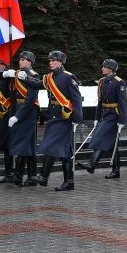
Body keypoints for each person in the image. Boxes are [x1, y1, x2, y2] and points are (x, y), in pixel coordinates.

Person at [37, 51, 83, 191]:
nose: (51, 62)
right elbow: (36, 84)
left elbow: (76, 99)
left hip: (64, 118)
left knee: (51, 144)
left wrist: (77, 118)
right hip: (53, 117)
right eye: (50, 60)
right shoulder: (50, 77)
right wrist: (24, 77)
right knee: (65, 151)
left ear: (61, 62)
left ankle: (43, 176)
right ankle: (69, 181)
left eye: (54, 60)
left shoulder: (68, 77)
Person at [78, 59, 127, 179]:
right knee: (112, 144)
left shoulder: (119, 82)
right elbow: (100, 101)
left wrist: (122, 120)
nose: (102, 68)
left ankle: (92, 164)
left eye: (104, 67)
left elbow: (123, 103)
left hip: (114, 115)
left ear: (110, 69)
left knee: (101, 137)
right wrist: (96, 117)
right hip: (104, 115)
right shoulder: (102, 82)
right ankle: (116, 171)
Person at [5, 51, 43, 186]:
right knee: (25, 144)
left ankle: (23, 175)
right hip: (19, 110)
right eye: (20, 59)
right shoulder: (16, 74)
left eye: (23, 59)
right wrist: (4, 75)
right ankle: (25, 175)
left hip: (28, 113)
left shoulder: (33, 75)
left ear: (30, 62)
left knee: (25, 143)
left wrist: (17, 116)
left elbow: (31, 99)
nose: (20, 61)